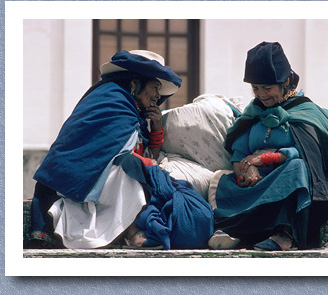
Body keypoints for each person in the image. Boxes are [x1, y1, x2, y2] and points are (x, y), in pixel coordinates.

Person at [30, 50, 213, 250]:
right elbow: (115, 153)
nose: (158, 96)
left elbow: (149, 155)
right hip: (83, 176)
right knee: (134, 168)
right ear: (135, 83)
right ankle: (132, 231)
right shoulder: (111, 99)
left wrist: (157, 128)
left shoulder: (134, 113)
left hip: (106, 178)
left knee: (144, 172)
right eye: (155, 87)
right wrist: (148, 165)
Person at [208, 41, 328, 251]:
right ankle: (236, 229)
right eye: (256, 88)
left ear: (286, 82)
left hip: (288, 184)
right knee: (221, 181)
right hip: (258, 184)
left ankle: (285, 233)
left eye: (267, 88)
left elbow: (312, 155)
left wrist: (267, 158)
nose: (261, 95)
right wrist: (246, 170)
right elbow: (239, 154)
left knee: (298, 167)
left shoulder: (306, 113)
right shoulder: (254, 113)